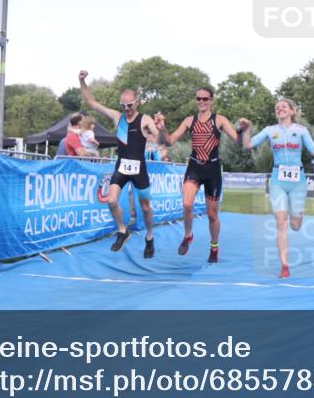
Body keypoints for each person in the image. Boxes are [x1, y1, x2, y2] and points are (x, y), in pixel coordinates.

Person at [239, 98, 314, 279]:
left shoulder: (301, 131)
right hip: (277, 180)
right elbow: (248, 145)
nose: (280, 109)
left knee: (295, 225)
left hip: (298, 182)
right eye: (277, 107)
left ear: (291, 111)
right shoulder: (270, 130)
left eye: (284, 106)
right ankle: (285, 266)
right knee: (280, 223)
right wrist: (246, 129)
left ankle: (297, 214)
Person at [155, 86, 244, 263]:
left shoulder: (220, 120)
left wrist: (242, 130)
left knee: (212, 215)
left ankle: (214, 247)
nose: (202, 102)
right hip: (194, 167)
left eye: (205, 99)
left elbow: (239, 142)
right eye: (199, 99)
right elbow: (170, 141)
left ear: (211, 100)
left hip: (212, 170)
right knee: (187, 205)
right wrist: (163, 128)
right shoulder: (189, 120)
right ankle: (188, 235)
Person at [79, 70, 160, 258]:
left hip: (139, 169)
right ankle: (123, 231)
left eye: (129, 105)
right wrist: (82, 81)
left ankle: (149, 237)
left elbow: (161, 139)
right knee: (111, 200)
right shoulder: (118, 117)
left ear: (137, 102)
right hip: (122, 166)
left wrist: (160, 130)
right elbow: (91, 102)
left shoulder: (145, 119)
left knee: (146, 208)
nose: (126, 109)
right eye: (123, 105)